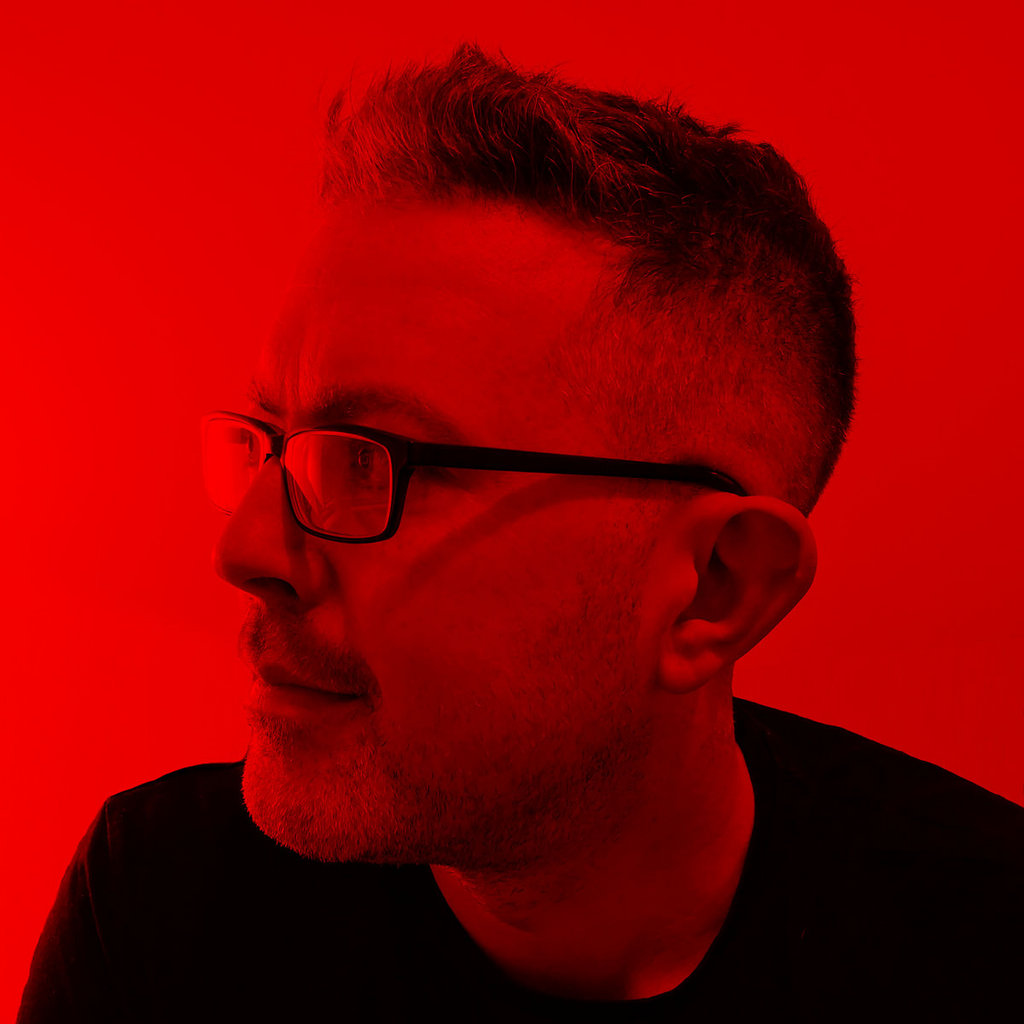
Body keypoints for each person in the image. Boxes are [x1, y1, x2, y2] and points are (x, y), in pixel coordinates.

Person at [19, 44, 1023, 1023]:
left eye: (367, 459)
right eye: (274, 445)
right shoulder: (166, 903)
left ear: (715, 587)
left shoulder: (982, 948)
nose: (243, 551)